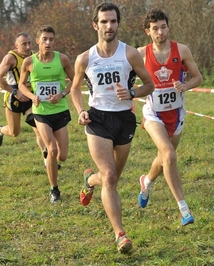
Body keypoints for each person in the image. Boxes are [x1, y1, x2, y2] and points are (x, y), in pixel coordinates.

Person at [70, 2, 154, 254]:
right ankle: (120, 235)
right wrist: (81, 111)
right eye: (104, 22)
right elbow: (74, 88)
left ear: (118, 24)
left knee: (111, 178)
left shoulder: (130, 54)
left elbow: (149, 84)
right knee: (109, 176)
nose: (109, 26)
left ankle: (89, 180)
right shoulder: (85, 58)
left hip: (124, 120)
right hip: (97, 119)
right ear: (95, 25)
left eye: (113, 21)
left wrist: (131, 92)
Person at [136, 8, 203, 226]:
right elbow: (126, 79)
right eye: (155, 28)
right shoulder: (139, 53)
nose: (160, 32)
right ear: (148, 31)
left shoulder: (181, 50)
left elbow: (198, 78)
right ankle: (184, 210)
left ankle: (146, 181)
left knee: (165, 156)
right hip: (153, 113)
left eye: (163, 27)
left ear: (168, 27)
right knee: (169, 155)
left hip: (176, 113)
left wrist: (185, 85)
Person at [19, 25, 74, 203]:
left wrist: (62, 94)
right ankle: (54, 189)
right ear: (38, 41)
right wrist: (31, 96)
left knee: (62, 155)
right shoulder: (29, 62)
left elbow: (75, 81)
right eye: (44, 39)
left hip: (59, 110)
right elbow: (21, 85)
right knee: (52, 149)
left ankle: (52, 163)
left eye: (51, 39)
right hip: (41, 112)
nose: (48, 42)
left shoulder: (62, 59)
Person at [0, 32, 48, 164]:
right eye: (24, 44)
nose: (28, 46)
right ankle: (0, 130)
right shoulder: (10, 58)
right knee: (14, 132)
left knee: (39, 128)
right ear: (16, 45)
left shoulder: (36, 56)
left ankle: (47, 160)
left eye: (29, 43)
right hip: (14, 98)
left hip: (30, 97)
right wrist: (15, 92)